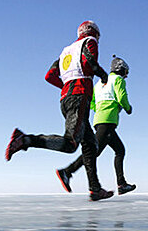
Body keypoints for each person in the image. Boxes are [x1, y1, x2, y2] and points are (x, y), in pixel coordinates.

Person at [5, 20, 113, 201]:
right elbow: (89, 62)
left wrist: (67, 86)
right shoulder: (89, 42)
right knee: (70, 144)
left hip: (67, 98)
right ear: (92, 32)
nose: (98, 39)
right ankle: (24, 140)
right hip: (79, 97)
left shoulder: (66, 51)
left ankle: (95, 189)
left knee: (90, 145)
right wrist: (102, 75)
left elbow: (50, 75)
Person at [56, 56, 136, 195]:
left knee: (119, 150)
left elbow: (92, 101)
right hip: (108, 121)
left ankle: (121, 184)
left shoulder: (99, 83)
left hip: (99, 120)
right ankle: (67, 171)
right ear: (121, 70)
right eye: (126, 73)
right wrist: (128, 108)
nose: (126, 76)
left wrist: (99, 110)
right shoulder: (118, 80)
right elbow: (121, 96)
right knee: (93, 153)